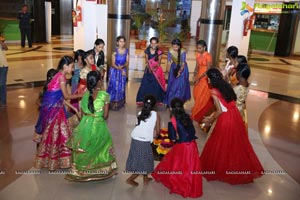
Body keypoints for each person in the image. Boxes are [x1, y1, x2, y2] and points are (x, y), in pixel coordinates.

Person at [200, 68, 264, 184]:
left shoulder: (214, 91)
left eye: (208, 79)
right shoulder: (226, 85)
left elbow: (219, 111)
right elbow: (231, 102)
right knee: (235, 144)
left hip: (225, 119)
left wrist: (210, 119)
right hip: (235, 115)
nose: (207, 81)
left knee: (221, 145)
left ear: (211, 79)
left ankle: (222, 169)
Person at [65, 71, 117, 181]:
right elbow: (106, 115)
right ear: (99, 82)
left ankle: (82, 171)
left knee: (86, 147)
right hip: (98, 125)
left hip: (85, 125)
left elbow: (82, 114)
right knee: (101, 147)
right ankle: (100, 170)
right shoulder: (104, 95)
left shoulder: (85, 95)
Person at [34, 56, 83, 171]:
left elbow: (61, 98)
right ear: (65, 66)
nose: (72, 70)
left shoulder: (57, 75)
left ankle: (52, 160)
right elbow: (66, 96)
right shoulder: (61, 77)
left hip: (53, 108)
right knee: (61, 133)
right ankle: (58, 160)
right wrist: (82, 95)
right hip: (54, 110)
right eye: (71, 67)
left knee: (54, 134)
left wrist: (74, 109)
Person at [152, 98, 203, 198]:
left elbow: (173, 138)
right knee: (190, 165)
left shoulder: (173, 120)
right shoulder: (188, 117)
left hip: (182, 146)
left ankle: (180, 183)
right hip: (192, 145)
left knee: (177, 164)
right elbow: (192, 132)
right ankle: (190, 183)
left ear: (172, 108)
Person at [126, 94, 160, 186]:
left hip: (135, 138)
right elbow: (157, 132)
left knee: (144, 159)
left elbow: (136, 126)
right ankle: (130, 179)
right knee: (142, 162)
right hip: (144, 141)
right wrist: (155, 137)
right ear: (154, 105)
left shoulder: (140, 113)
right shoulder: (156, 115)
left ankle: (145, 178)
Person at [136, 37, 165, 105]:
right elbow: (146, 61)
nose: (153, 45)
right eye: (152, 43)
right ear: (150, 44)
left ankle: (156, 100)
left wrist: (154, 68)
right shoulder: (147, 51)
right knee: (145, 85)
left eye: (155, 43)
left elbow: (159, 62)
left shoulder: (159, 52)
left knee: (156, 86)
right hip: (148, 70)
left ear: (157, 44)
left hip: (156, 71)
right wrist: (149, 68)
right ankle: (143, 99)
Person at [191, 40, 213, 122]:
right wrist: (194, 74)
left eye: (200, 48)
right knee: (196, 94)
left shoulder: (208, 56)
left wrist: (199, 78)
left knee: (201, 95)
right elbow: (197, 66)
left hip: (205, 78)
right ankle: (197, 108)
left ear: (204, 47)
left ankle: (198, 112)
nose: (198, 50)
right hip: (199, 76)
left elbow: (208, 70)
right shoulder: (198, 55)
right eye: (197, 48)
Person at [164, 38, 191, 107]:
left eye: (176, 47)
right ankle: (170, 101)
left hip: (183, 70)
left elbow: (183, 64)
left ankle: (178, 102)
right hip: (174, 68)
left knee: (180, 87)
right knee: (172, 85)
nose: (174, 48)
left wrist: (179, 72)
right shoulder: (170, 50)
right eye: (173, 46)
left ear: (179, 46)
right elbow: (169, 62)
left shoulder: (183, 51)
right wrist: (167, 72)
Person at [107, 36, 129, 110]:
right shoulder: (114, 53)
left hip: (122, 70)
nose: (122, 43)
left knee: (121, 87)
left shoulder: (126, 51)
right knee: (114, 86)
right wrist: (120, 69)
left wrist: (122, 67)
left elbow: (127, 62)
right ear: (117, 42)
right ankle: (111, 102)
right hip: (115, 71)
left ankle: (120, 102)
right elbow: (113, 64)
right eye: (120, 41)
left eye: (123, 41)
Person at [234, 63, 251, 131]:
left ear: (239, 73)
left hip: (235, 111)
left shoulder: (238, 88)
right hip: (240, 110)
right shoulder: (246, 84)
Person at [0, 39, 8, 108]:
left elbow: (6, 48)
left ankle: (3, 101)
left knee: (1, 84)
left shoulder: (1, 41)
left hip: (3, 66)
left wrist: (1, 42)